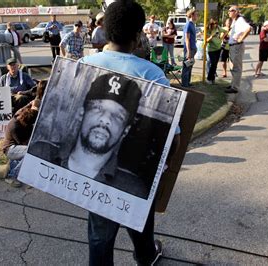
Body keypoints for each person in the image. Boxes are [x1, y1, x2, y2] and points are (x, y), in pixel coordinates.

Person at [81, 1, 180, 264]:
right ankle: (146, 255)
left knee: (100, 239)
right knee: (139, 219)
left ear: (104, 31)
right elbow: (174, 137)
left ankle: (143, 253)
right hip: (137, 175)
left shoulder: (82, 65)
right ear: (138, 36)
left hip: (94, 179)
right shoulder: (153, 74)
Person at [2, 80, 46, 188]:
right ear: (26, 123)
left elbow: (30, 107)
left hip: (16, 146)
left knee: (31, 150)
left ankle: (11, 169)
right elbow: (24, 143)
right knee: (31, 152)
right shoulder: (15, 127)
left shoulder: (23, 114)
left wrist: (34, 106)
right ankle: (12, 176)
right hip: (10, 149)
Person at [225, 5, 251, 94]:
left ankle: (235, 87)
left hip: (237, 46)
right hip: (233, 46)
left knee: (236, 67)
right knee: (233, 66)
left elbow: (248, 28)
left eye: (231, 10)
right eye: (228, 11)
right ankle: (233, 84)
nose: (229, 12)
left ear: (236, 12)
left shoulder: (240, 20)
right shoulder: (235, 21)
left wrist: (241, 38)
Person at [181, 9, 198, 88]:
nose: (197, 16)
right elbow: (187, 39)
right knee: (186, 67)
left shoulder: (192, 24)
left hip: (193, 48)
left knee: (190, 66)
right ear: (192, 15)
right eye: (196, 15)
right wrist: (188, 51)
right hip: (189, 49)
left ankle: (187, 82)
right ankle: (184, 84)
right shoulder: (188, 24)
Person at [205, 18, 225, 84]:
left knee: (215, 65)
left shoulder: (218, 28)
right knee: (212, 64)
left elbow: (225, 31)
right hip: (211, 49)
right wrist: (212, 36)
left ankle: (212, 79)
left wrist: (221, 38)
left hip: (218, 48)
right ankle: (208, 78)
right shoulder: (208, 30)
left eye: (216, 23)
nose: (215, 25)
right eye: (214, 24)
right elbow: (206, 41)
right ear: (211, 24)